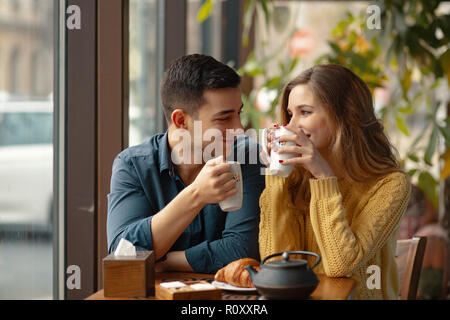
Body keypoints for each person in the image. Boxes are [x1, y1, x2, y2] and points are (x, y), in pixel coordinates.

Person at [259, 64, 411, 299]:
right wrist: (277, 176)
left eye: (305, 112)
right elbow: (277, 265)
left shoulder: (390, 184)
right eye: (290, 114)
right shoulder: (295, 178)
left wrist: (324, 178)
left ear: (344, 116)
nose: (290, 126)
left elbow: (341, 265)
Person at [107, 54, 265, 273]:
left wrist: (161, 260)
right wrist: (196, 195)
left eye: (239, 114)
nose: (239, 128)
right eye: (224, 118)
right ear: (181, 120)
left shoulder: (247, 156)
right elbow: (122, 255)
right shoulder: (133, 165)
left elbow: (242, 250)